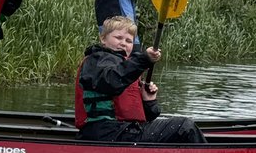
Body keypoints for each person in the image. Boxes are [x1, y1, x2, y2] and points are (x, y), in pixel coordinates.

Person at [75, 16, 205, 144]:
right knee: (184, 126)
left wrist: (149, 101)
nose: (123, 43)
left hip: (124, 132)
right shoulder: (96, 60)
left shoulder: (127, 67)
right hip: (105, 132)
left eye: (128, 41)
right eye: (118, 38)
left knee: (179, 130)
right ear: (103, 39)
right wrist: (143, 59)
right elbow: (111, 81)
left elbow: (146, 118)